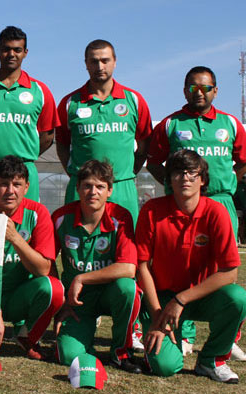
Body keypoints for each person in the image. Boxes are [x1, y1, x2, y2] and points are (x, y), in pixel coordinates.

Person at [146, 66, 246, 357]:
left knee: (221, 269)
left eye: (205, 88)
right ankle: (184, 334)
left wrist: (227, 184)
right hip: (183, 204)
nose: (198, 93)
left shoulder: (230, 123)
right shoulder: (170, 124)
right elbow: (154, 161)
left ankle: (229, 337)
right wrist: (173, 187)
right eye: (192, 88)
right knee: (184, 263)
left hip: (221, 201)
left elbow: (242, 160)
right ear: (184, 90)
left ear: (215, 90)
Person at [137, 149, 246, 383]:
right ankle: (152, 345)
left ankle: (211, 361)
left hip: (198, 298)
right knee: (166, 366)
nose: (185, 178)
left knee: (237, 297)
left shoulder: (216, 212)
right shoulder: (152, 210)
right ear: (168, 179)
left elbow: (230, 273)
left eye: (192, 173)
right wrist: (157, 313)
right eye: (177, 172)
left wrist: (182, 299)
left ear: (203, 180)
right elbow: (142, 266)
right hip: (163, 300)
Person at [0, 156, 64, 360]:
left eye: (17, 184)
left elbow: (43, 269)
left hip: (20, 297)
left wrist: (15, 239)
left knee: (54, 289)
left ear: (26, 187)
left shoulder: (38, 213)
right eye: (3, 184)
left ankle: (26, 336)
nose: (10, 191)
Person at [52, 160, 142, 373]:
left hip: (109, 293)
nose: (93, 192)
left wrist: (81, 278)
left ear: (109, 191)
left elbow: (129, 268)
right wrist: (61, 301)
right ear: (78, 188)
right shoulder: (60, 217)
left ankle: (121, 352)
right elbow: (47, 263)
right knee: (69, 356)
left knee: (128, 288)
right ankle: (83, 341)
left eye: (100, 186)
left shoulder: (121, 217)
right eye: (87, 185)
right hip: (77, 301)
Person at [56, 39, 152, 223]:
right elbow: (61, 143)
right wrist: (77, 174)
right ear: (86, 64)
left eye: (105, 60)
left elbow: (144, 145)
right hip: (82, 189)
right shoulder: (70, 102)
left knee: (126, 247)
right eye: (94, 61)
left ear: (115, 61)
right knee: (76, 245)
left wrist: (127, 172)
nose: (100, 66)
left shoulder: (134, 100)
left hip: (121, 188)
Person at [0, 26, 58, 203]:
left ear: (25, 52)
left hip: (23, 171)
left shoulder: (39, 91)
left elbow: (47, 136)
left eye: (17, 50)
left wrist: (24, 155)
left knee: (24, 229)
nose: (11, 54)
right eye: (6, 49)